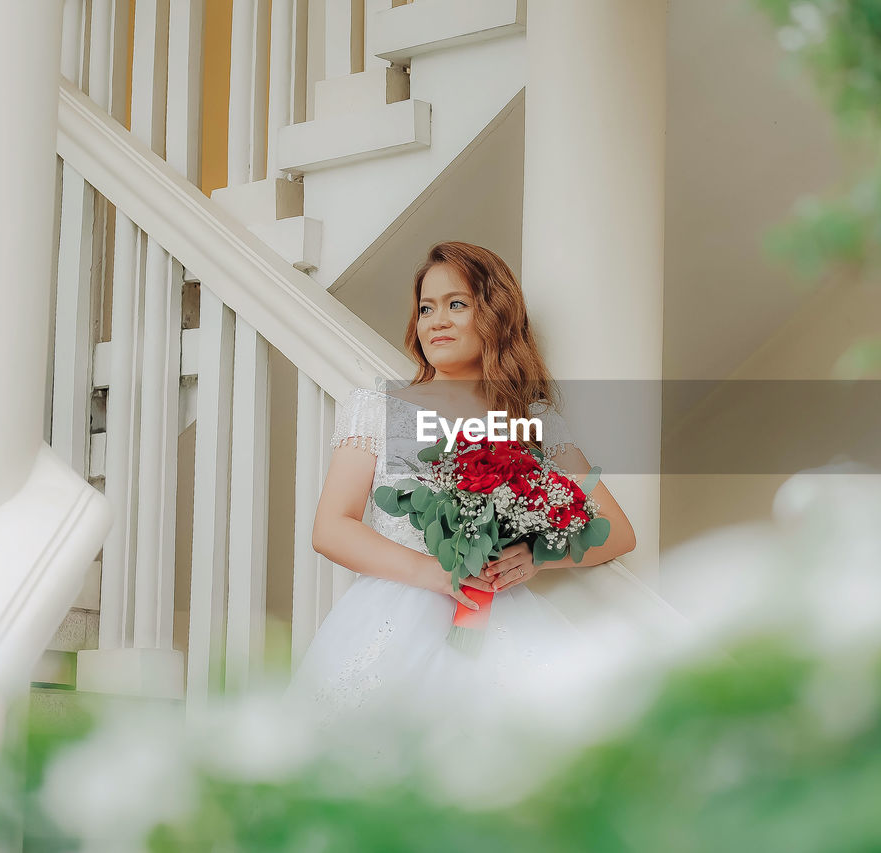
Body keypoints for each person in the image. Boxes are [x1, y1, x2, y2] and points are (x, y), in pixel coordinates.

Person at [284, 242, 687, 762]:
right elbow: (331, 528)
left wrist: (537, 556)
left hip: (500, 621)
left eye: (457, 304)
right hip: (392, 615)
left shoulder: (532, 422)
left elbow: (617, 530)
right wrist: (435, 573)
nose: (436, 321)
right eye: (426, 308)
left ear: (493, 313)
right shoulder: (380, 406)